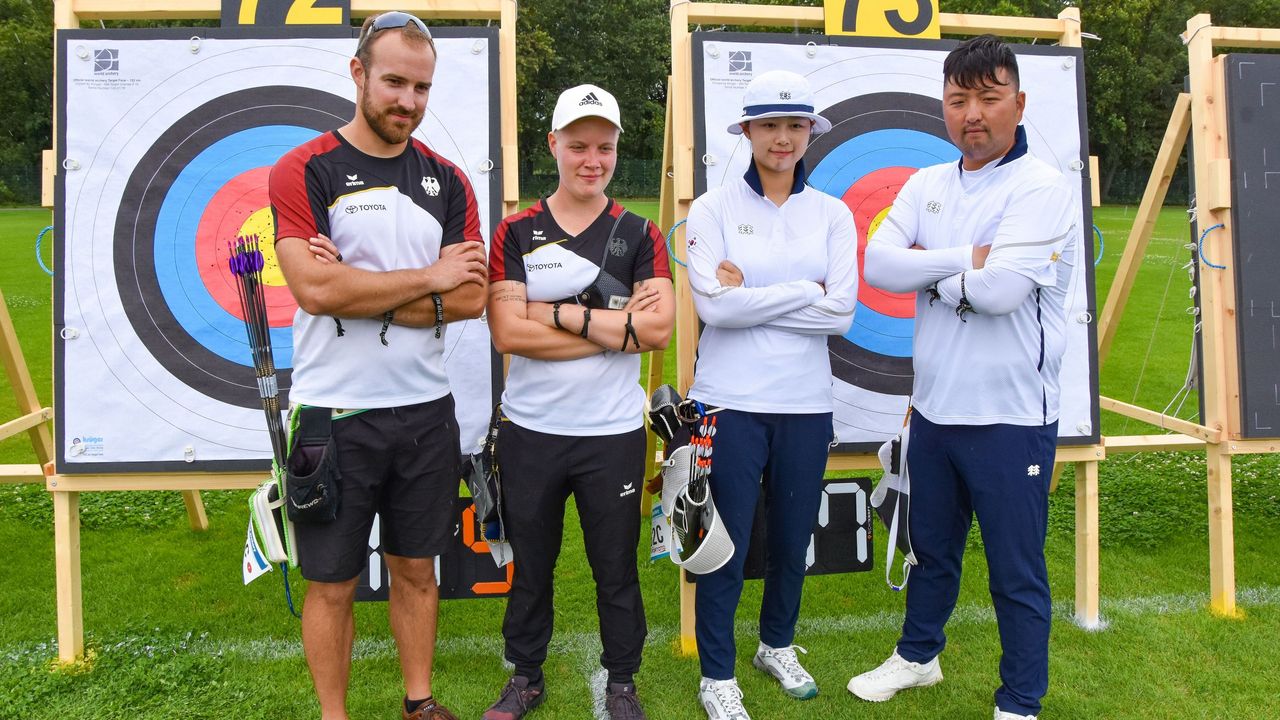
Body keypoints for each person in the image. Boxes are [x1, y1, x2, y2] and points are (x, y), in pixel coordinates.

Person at [847, 35, 1077, 720]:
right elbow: (878, 266)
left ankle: (1020, 701)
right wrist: (961, 260)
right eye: (957, 99)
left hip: (1010, 418)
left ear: (1019, 103)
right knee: (931, 554)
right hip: (937, 413)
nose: (971, 112)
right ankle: (919, 658)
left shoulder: (1042, 185)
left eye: (988, 96)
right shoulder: (927, 183)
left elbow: (1002, 290)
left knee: (1015, 572)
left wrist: (931, 268)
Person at [269, 12, 488, 720]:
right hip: (334, 414)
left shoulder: (448, 180)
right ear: (359, 73)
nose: (408, 101)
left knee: (416, 570)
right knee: (330, 581)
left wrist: (362, 289)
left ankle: (418, 702)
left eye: (421, 87)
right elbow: (315, 289)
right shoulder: (305, 169)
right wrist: (429, 275)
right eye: (394, 81)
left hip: (425, 411)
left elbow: (474, 297)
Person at [482, 84, 675, 720]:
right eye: (578, 146)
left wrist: (555, 314)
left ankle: (622, 682)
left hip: (613, 434)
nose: (591, 160)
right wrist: (609, 330)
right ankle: (525, 677)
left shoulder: (639, 232)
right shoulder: (516, 230)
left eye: (605, 147)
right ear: (553, 147)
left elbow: (655, 332)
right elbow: (509, 334)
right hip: (531, 431)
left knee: (615, 569)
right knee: (531, 566)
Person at [682, 70, 858, 720]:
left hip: (806, 404)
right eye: (769, 126)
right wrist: (805, 291)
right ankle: (716, 675)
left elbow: (841, 315)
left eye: (795, 125)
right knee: (722, 544)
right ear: (749, 131)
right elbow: (715, 310)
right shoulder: (712, 208)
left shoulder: (833, 214)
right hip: (727, 401)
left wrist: (750, 291)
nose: (782, 139)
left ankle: (776, 645)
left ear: (810, 131)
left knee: (790, 542)